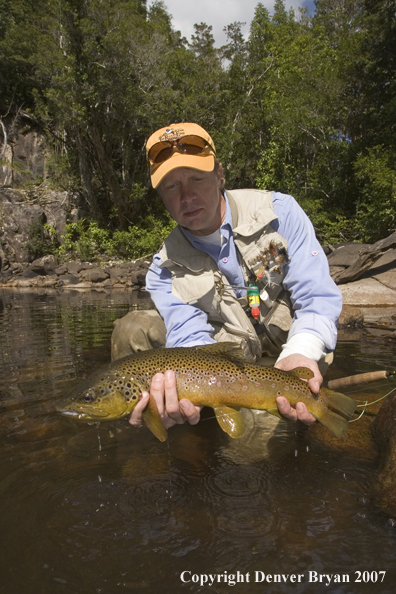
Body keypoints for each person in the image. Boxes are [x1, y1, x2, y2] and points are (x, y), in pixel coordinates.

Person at [114, 123, 342, 434]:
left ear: (219, 174)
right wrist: (189, 391)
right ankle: (179, 431)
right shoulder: (162, 270)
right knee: (132, 327)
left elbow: (317, 299)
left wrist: (301, 352)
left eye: (197, 179)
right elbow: (191, 340)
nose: (187, 196)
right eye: (171, 186)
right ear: (161, 196)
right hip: (228, 362)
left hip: (294, 347)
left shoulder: (280, 213)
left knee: (258, 456)